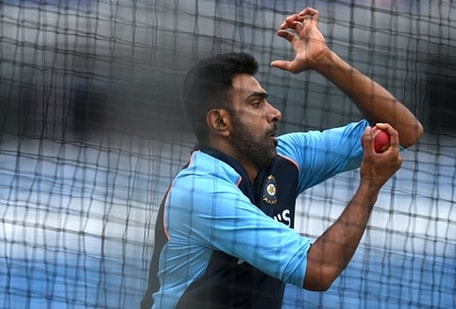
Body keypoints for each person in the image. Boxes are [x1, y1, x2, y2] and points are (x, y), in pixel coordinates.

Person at [141, 7, 423, 309]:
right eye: (256, 103)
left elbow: (405, 131)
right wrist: (370, 186)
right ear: (220, 122)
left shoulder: (283, 157)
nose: (275, 112)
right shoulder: (201, 192)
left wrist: (324, 61)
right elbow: (318, 270)